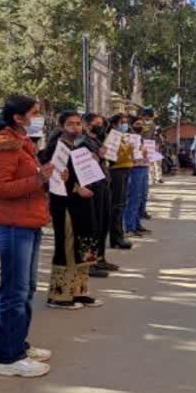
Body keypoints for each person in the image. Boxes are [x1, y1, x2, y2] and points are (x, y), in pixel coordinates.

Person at [0, 95, 53, 378]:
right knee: (13, 292)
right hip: (14, 226)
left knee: (27, 289)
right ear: (18, 118)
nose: (38, 118)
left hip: (31, 222)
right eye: (34, 113)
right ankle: (10, 357)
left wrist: (45, 177)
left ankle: (19, 343)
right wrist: (38, 180)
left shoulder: (24, 144)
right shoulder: (6, 145)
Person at [40, 112, 103, 309]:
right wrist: (76, 188)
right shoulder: (55, 149)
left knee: (85, 245)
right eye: (70, 124)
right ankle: (59, 295)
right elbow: (55, 180)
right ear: (61, 126)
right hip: (66, 206)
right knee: (67, 247)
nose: (75, 127)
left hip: (84, 205)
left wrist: (94, 160)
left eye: (78, 124)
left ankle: (79, 292)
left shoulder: (79, 147)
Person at [82, 113, 118, 277]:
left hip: (103, 184)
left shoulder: (96, 140)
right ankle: (89, 262)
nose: (101, 126)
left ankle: (100, 257)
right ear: (88, 125)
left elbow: (105, 159)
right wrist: (96, 157)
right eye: (97, 123)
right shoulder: (82, 142)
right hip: (91, 187)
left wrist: (104, 155)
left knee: (103, 223)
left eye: (101, 123)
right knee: (91, 226)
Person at [107, 114, 134, 250]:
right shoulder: (113, 137)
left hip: (124, 171)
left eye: (126, 122)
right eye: (122, 122)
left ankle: (118, 236)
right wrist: (130, 148)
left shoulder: (122, 137)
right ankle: (116, 238)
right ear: (114, 124)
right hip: (117, 171)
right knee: (117, 205)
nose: (125, 125)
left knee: (120, 204)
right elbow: (115, 157)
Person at [124, 116, 151, 237]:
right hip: (135, 169)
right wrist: (141, 153)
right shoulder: (128, 138)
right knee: (133, 198)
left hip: (144, 167)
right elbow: (129, 155)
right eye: (137, 124)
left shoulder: (141, 138)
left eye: (141, 124)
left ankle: (137, 224)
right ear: (131, 125)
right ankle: (130, 226)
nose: (140, 126)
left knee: (141, 197)